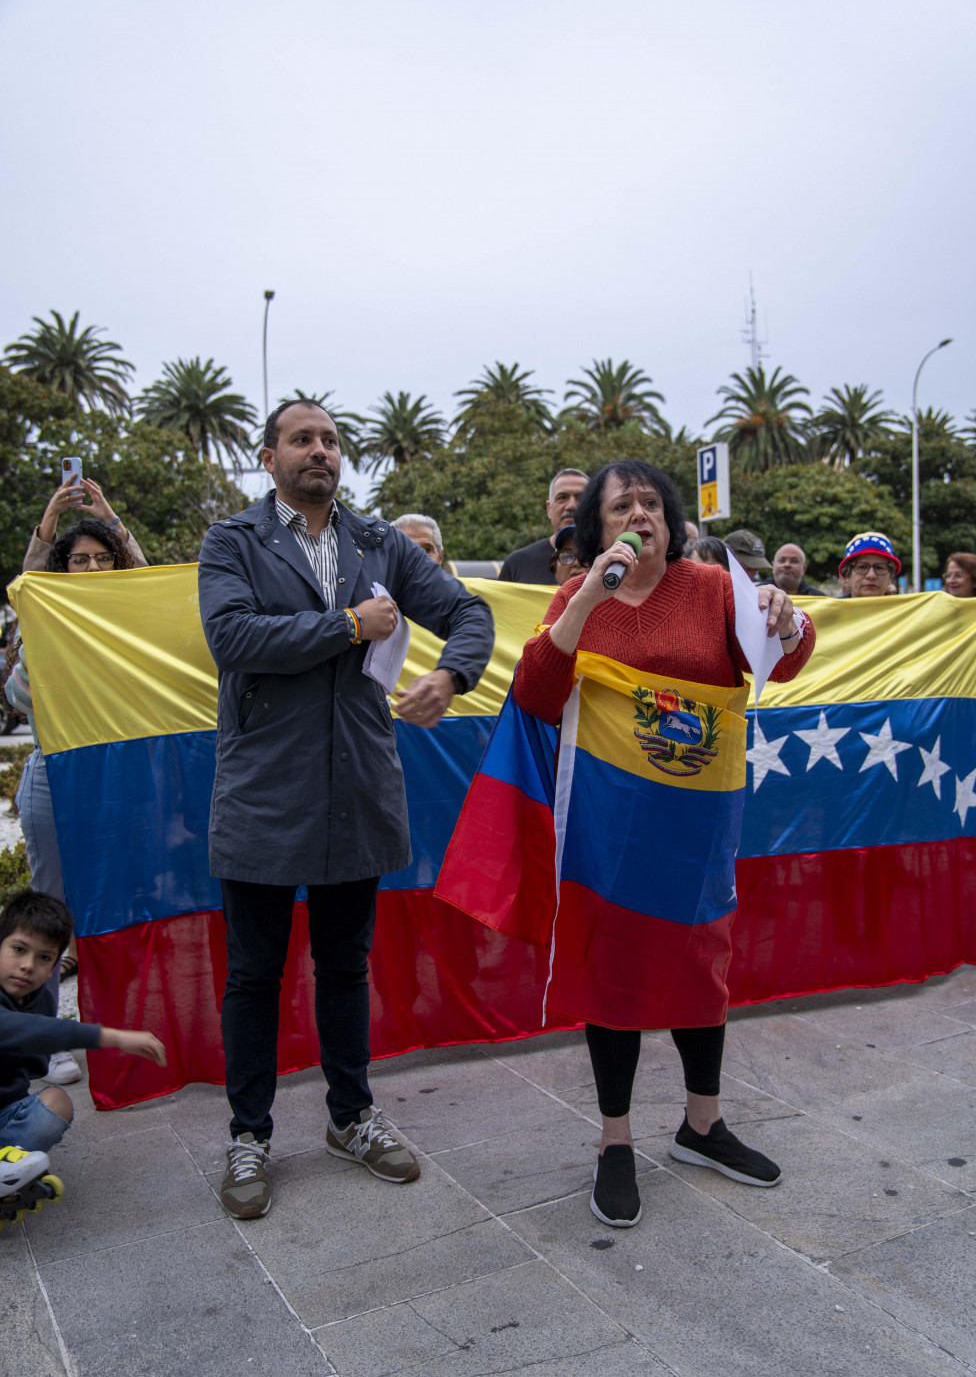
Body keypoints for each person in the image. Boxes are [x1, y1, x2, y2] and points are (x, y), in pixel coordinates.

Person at [197, 398, 494, 1221]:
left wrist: (453, 674)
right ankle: (249, 1134)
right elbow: (234, 639)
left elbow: (469, 611)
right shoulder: (232, 541)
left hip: (356, 790)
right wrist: (345, 624)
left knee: (345, 966)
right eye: (302, 439)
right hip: (263, 793)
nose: (319, 450)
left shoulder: (382, 543)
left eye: (330, 438)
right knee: (253, 974)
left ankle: (351, 1117)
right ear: (269, 458)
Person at [512, 459, 814, 1228]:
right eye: (622, 507)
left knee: (700, 960)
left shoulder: (713, 587)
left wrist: (789, 618)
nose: (639, 515)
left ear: (673, 521)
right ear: (596, 527)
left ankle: (701, 1125)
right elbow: (537, 694)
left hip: (697, 822)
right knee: (613, 970)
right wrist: (587, 597)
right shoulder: (581, 594)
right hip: (610, 830)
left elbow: (783, 659)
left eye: (652, 503)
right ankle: (616, 1141)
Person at [3, 506, 143, 1086]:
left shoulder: (126, 623)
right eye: (78, 559)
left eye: (101, 558)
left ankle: (122, 1024)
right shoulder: (44, 621)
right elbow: (18, 695)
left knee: (124, 907)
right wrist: (45, 527)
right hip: (53, 780)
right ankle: (50, 1043)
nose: (89, 567)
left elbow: (148, 582)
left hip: (117, 784)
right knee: (47, 917)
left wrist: (115, 523)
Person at [0, 889, 165, 1154]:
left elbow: (36, 1066)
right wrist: (116, 1038)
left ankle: (9, 1167)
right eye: (19, 950)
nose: (28, 965)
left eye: (43, 957)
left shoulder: (40, 1001)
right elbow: (25, 1030)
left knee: (56, 1102)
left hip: (6, 1114)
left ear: (54, 967)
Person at [498, 469, 589, 584]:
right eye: (562, 497)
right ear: (549, 509)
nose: (571, 506)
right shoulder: (517, 563)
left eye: (580, 498)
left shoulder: (612, 562)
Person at [838, 532, 900, 598]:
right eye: (862, 567)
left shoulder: (905, 608)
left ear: (890, 578)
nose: (871, 575)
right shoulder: (831, 608)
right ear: (844, 578)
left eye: (879, 567)